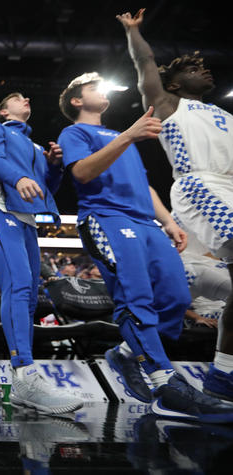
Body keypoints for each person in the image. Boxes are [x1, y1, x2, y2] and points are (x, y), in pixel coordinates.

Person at [57, 71, 233, 421]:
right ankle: (165, 386)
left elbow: (144, 184)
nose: (101, 90)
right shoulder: (75, 132)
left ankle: (125, 353)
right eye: (93, 87)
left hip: (147, 223)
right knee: (135, 298)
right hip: (107, 219)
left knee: (177, 298)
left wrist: (168, 220)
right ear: (77, 100)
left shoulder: (120, 137)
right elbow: (82, 174)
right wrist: (129, 135)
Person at [117, 8, 233, 402]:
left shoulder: (222, 113)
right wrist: (134, 32)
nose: (205, 71)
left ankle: (223, 374)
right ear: (174, 83)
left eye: (205, 68)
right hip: (201, 185)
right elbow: (144, 62)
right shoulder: (167, 103)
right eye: (194, 69)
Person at [0, 92, 82, 414]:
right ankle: (24, 370)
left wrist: (54, 166)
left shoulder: (36, 147)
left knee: (31, 295)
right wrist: (19, 176)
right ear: (4, 109)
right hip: (0, 212)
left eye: (27, 97)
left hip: (26, 219)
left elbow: (46, 186)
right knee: (19, 286)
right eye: (16, 98)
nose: (26, 99)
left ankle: (20, 378)